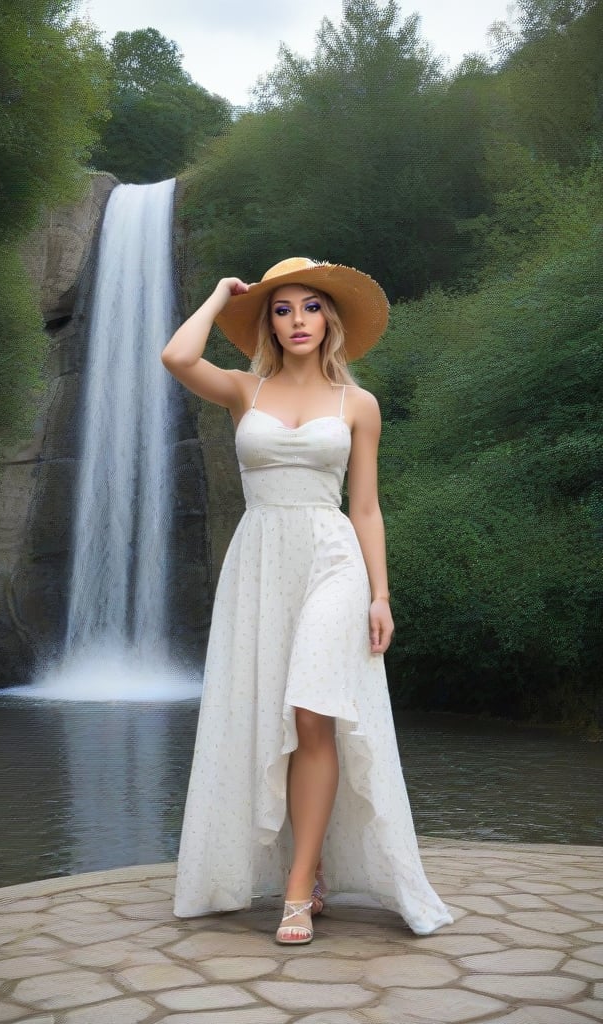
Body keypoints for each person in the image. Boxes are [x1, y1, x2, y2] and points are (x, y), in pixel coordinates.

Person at [161, 256, 452, 944]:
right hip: (261, 560)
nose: (297, 321)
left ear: (332, 320)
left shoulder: (359, 404)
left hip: (332, 559)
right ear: (268, 322)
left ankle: (297, 890)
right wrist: (219, 295)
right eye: (282, 309)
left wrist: (380, 595)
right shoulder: (243, 391)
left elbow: (368, 508)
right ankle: (311, 868)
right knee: (270, 716)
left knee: (314, 711)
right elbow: (177, 355)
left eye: (311, 307)